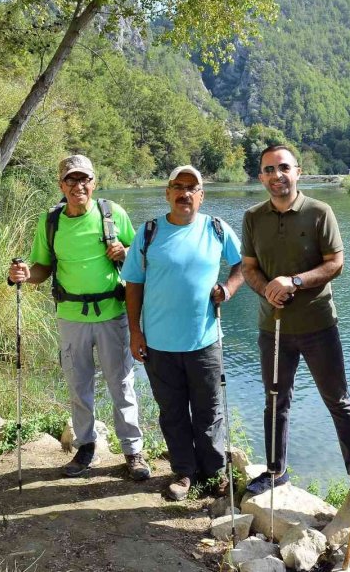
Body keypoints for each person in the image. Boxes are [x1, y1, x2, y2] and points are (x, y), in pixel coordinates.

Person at [240, 145, 350, 498]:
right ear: (261, 177)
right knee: (275, 400)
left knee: (338, 400)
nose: (277, 175)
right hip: (273, 328)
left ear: (298, 171)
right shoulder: (252, 217)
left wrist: (294, 281)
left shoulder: (319, 212)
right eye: (269, 169)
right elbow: (249, 268)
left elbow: (335, 264)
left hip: (318, 326)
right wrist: (267, 289)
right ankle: (275, 471)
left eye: (284, 167)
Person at [7, 155, 149, 480]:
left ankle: (133, 451)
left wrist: (126, 252)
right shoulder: (50, 221)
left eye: (84, 179)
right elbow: (42, 268)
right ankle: (85, 447)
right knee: (78, 385)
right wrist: (25, 274)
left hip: (112, 313)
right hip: (70, 316)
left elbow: (140, 258)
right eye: (71, 180)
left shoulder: (112, 214)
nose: (78, 186)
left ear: (94, 183)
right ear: (61, 185)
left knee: (121, 384)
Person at [121, 165, 244, 501]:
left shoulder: (216, 228)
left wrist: (228, 289)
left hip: (205, 341)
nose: (184, 193)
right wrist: (135, 331)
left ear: (201, 196)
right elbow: (133, 284)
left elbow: (243, 264)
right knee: (172, 412)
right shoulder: (148, 232)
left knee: (209, 411)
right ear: (167, 193)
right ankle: (184, 472)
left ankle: (214, 472)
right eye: (178, 186)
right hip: (159, 344)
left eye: (192, 188)